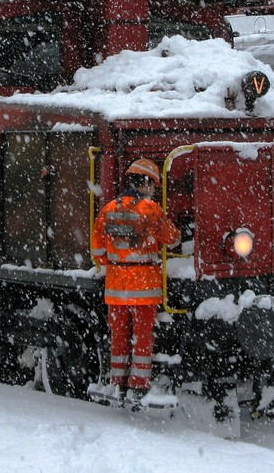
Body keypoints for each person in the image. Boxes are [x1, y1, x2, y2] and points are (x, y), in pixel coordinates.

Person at [91, 158, 180, 400]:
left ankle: (117, 382)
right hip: (145, 286)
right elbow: (172, 238)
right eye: (154, 186)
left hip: (115, 286)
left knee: (119, 335)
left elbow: (98, 251)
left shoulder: (108, 209)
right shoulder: (151, 210)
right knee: (142, 337)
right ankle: (139, 384)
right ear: (149, 184)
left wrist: (116, 264)